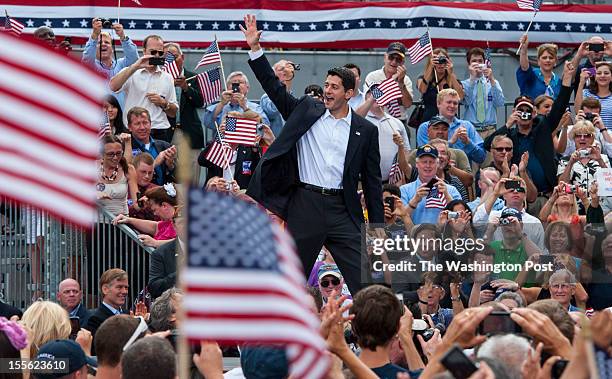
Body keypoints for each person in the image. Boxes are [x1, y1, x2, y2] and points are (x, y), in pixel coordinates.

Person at [241, 15, 383, 294]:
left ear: (350, 93)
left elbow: (372, 184)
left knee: (368, 285)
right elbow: (274, 88)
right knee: (290, 283)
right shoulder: (308, 110)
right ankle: (277, 336)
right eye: (326, 85)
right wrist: (255, 51)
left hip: (343, 209)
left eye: (334, 87)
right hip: (305, 205)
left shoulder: (365, 130)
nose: (327, 91)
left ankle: (374, 334)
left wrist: (377, 232)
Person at [485, 61, 575, 211]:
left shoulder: (543, 127)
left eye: (528, 110)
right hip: (523, 199)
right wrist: (507, 125)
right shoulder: (510, 137)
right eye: (521, 110)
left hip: (548, 195)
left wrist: (566, 79)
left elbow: (559, 106)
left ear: (534, 112)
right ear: (514, 112)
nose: (524, 114)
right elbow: (488, 145)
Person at [109, 35, 178, 143]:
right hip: (133, 131)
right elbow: (113, 86)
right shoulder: (131, 72)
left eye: (160, 53)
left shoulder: (167, 77)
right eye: (153, 52)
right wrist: (136, 66)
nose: (156, 55)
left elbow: (173, 113)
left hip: (159, 132)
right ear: (144, 51)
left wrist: (164, 103)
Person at [349, 285, 413, 378]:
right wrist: (407, 339)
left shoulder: (333, 374)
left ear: (353, 329)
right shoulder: (408, 376)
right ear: (398, 328)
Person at [163, 42, 206, 181]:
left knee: (191, 179)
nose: (171, 61)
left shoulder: (192, 77)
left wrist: (186, 87)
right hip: (167, 132)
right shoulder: (159, 78)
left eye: (174, 57)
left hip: (190, 133)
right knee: (168, 175)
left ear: (182, 57)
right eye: (166, 58)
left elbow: (200, 102)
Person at [199, 111, 267, 190]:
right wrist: (219, 136)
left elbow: (257, 172)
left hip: (238, 195)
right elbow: (201, 161)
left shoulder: (248, 149)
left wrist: (255, 148)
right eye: (228, 123)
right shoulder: (216, 145)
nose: (231, 128)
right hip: (217, 194)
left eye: (235, 124)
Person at [416, 88, 486, 164]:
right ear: (438, 103)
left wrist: (468, 142)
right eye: (449, 102)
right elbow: (425, 155)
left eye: (455, 103)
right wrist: (451, 142)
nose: (452, 106)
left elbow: (481, 158)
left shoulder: (467, 126)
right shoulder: (425, 127)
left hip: (462, 172)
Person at [474, 177, 545, 248]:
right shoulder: (493, 216)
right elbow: (477, 222)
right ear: (504, 195)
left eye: (520, 190)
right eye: (511, 190)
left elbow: (543, 251)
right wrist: (495, 194)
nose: (515, 192)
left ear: (524, 196)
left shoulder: (534, 222)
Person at [81, 18, 138, 106]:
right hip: (98, 115)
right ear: (94, 48)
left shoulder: (122, 65)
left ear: (112, 48)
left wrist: (122, 36)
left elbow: (134, 59)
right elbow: (87, 58)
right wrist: (94, 35)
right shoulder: (91, 65)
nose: (103, 44)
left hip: (120, 116)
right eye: (99, 42)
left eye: (107, 42)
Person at [400, 144, 462, 224]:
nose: (428, 165)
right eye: (424, 162)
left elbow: (461, 218)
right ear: (417, 164)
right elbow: (399, 220)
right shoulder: (404, 190)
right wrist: (414, 200)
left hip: (444, 235)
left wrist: (447, 196)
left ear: (437, 164)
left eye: (432, 162)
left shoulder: (451, 190)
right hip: (414, 234)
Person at [359, 90, 411, 184]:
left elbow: (406, 151)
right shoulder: (360, 120)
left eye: (379, 93)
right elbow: (353, 119)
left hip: (391, 181)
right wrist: (370, 100)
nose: (375, 96)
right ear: (365, 98)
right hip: (363, 181)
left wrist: (401, 174)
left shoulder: (396, 123)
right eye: (371, 93)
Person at [557, 120, 609, 207]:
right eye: (578, 135)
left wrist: (600, 161)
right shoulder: (565, 160)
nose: (582, 138)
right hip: (574, 208)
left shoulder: (603, 158)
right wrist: (570, 163)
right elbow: (561, 187)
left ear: (593, 138)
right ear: (574, 138)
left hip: (599, 208)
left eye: (587, 135)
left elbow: (609, 187)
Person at [483, 207, 543, 281]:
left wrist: (520, 234)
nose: (508, 226)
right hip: (497, 291)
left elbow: (544, 262)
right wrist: (489, 231)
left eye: (512, 222)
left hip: (523, 291)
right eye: (505, 222)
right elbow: (477, 260)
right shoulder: (493, 246)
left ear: (521, 225)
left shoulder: (528, 247)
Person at [113, 185, 178, 248]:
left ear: (164, 206)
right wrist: (129, 220)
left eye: (155, 210)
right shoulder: (169, 222)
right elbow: (155, 227)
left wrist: (155, 243)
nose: (155, 214)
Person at [461, 47, 505, 139]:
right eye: (474, 61)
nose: (477, 64)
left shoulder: (493, 83)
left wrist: (492, 79)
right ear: (469, 64)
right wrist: (472, 79)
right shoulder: (465, 84)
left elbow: (500, 102)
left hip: (489, 130)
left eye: (480, 61)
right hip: (471, 129)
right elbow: (467, 101)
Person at [203, 71, 270, 130]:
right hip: (224, 143)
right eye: (233, 83)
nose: (236, 86)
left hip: (246, 142)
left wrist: (245, 108)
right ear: (227, 87)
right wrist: (222, 104)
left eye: (240, 82)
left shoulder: (255, 107)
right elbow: (207, 123)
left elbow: (265, 126)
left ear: (247, 88)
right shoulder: (220, 107)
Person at [362, 42, 413, 118]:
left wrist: (401, 83)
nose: (394, 62)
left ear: (403, 62)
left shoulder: (406, 80)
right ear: (385, 57)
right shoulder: (373, 77)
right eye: (391, 57)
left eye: (398, 59)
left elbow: (408, 104)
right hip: (376, 119)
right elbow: (369, 101)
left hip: (399, 121)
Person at [127, 107, 176, 185]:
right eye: (137, 124)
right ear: (129, 127)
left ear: (150, 124)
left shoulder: (164, 146)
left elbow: (178, 177)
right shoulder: (127, 148)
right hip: (140, 194)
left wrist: (170, 165)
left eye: (145, 123)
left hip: (164, 193)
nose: (142, 127)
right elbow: (127, 175)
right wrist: (155, 162)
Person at [416, 48, 464, 123]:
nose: (440, 64)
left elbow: (460, 96)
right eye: (437, 60)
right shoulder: (423, 78)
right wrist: (430, 67)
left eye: (443, 60)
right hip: (429, 120)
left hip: (448, 120)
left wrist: (451, 74)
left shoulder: (453, 79)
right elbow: (422, 89)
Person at [96, 134, 138, 217]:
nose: (115, 158)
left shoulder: (128, 169)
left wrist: (143, 203)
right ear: (101, 154)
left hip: (120, 223)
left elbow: (137, 204)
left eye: (119, 153)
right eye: (110, 154)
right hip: (95, 223)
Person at [148, 211, 185, 299]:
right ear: (174, 226)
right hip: (175, 308)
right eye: (182, 222)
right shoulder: (161, 253)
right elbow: (154, 288)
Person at [85, 269, 130, 340]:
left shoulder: (129, 315)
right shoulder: (94, 319)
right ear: (105, 289)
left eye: (126, 287)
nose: (124, 291)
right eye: (119, 287)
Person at [517, 34, 561, 99]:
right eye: (544, 58)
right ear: (538, 61)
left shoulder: (559, 82)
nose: (548, 60)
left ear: (556, 61)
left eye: (551, 58)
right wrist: (524, 49)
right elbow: (524, 67)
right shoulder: (531, 75)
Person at [261, 59, 296, 136]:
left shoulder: (292, 96)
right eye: (282, 69)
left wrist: (288, 80)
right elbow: (273, 111)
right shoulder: (266, 97)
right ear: (274, 74)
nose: (285, 72)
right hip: (275, 143)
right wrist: (287, 81)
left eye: (287, 70)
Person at [576, 61, 612, 130]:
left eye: (606, 73)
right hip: (589, 136)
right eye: (599, 73)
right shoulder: (586, 93)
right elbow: (578, 110)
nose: (602, 75)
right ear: (595, 77)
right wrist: (581, 82)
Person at [128, 153, 159, 221]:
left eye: (150, 173)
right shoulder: (123, 189)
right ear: (133, 170)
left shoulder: (157, 191)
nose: (147, 176)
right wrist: (136, 207)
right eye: (143, 172)